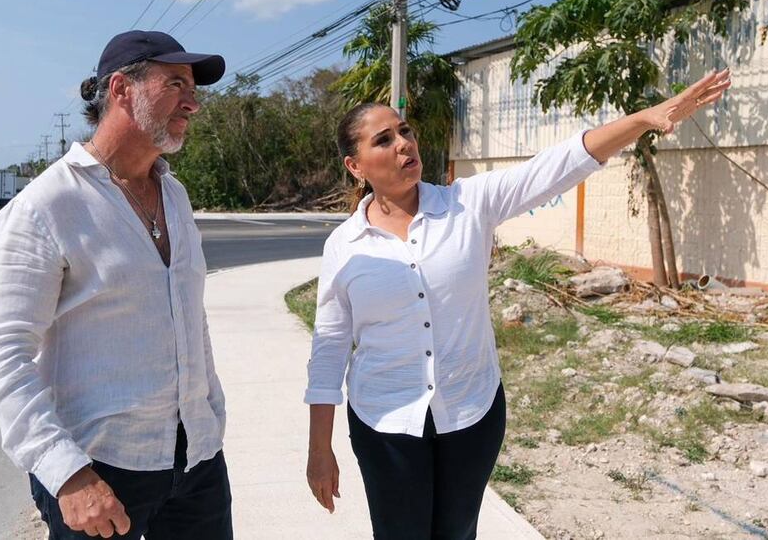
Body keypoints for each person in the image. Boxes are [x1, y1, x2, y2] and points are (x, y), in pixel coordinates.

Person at [305, 70, 732, 539]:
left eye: (405, 131)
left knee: (457, 532)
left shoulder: (469, 204)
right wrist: (319, 448)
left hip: (470, 411)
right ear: (355, 166)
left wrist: (643, 120)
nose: (404, 144)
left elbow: (557, 165)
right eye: (384, 140)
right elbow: (329, 349)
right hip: (384, 420)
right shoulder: (344, 246)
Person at [0, 30, 233, 539]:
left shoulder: (176, 196)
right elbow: (4, 358)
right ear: (121, 89)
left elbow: (190, 316)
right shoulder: (44, 207)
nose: (194, 102)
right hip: (100, 474)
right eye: (176, 83)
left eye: (192, 87)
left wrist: (211, 416)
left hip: (197, 462)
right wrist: (68, 476)